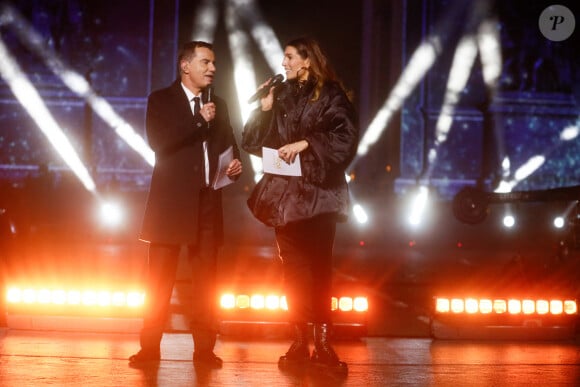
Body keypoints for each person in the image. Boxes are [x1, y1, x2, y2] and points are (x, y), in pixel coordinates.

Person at [242, 36, 358, 374]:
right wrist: (263, 110)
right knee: (292, 271)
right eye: (284, 58)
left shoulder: (333, 96)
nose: (284, 64)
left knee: (318, 269)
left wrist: (306, 143)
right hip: (286, 199)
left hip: (319, 197)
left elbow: (345, 140)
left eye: (290, 57)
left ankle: (322, 343)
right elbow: (252, 142)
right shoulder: (281, 97)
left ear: (307, 60)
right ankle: (298, 339)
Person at [130, 41, 243, 368]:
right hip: (170, 205)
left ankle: (205, 351)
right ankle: (149, 350)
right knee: (159, 283)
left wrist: (235, 167)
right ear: (185, 66)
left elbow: (229, 146)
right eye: (205, 62)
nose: (212, 69)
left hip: (208, 203)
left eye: (214, 63)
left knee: (206, 286)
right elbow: (158, 142)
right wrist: (197, 120)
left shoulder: (218, 104)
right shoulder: (161, 99)